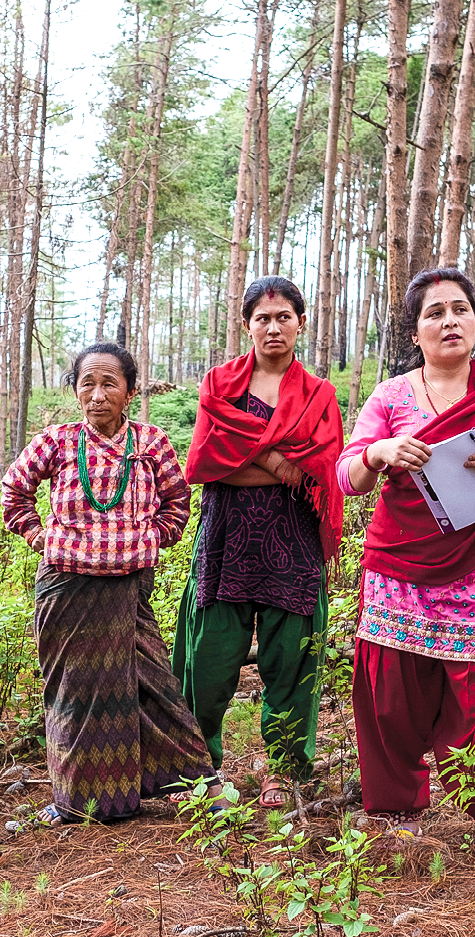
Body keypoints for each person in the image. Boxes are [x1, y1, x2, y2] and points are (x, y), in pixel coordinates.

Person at [339, 267, 475, 852]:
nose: (450, 321)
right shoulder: (392, 395)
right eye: (434, 313)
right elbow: (348, 474)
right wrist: (381, 451)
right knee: (392, 693)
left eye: (460, 309)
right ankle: (394, 804)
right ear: (415, 332)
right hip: (398, 566)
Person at [1, 342, 227, 825]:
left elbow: (177, 501)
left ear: (130, 391)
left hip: (129, 587)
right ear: (76, 391)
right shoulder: (57, 441)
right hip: (66, 589)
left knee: (153, 685)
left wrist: (150, 540)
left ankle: (198, 784)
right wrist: (40, 536)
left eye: (110, 384)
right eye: (88, 383)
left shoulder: (151, 442)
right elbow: (14, 489)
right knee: (73, 693)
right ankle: (78, 801)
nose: (98, 394)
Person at [175, 276, 344, 809]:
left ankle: (285, 768)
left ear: (299, 323)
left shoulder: (319, 394)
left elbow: (321, 470)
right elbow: (207, 465)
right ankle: (198, 766)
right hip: (227, 540)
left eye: (284, 317)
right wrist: (277, 463)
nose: (273, 327)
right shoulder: (219, 386)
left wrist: (243, 458)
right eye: (262, 319)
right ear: (247, 325)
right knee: (209, 656)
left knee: (290, 658)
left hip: (293, 544)